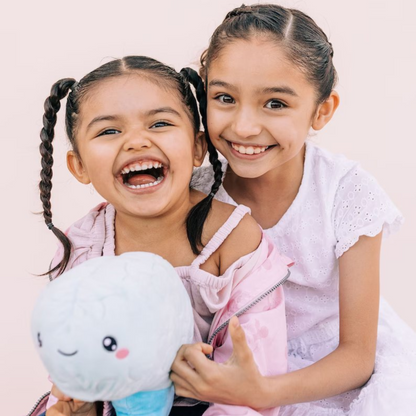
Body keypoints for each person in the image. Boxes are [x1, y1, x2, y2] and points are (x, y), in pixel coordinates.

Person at [170, 4, 416, 415]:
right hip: (230, 375)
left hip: (333, 377)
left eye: (276, 104)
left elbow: (357, 355)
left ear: (322, 110)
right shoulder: (193, 190)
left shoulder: (346, 192)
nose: (245, 126)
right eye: (225, 98)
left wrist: (264, 393)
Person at [30, 55, 292, 416]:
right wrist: (83, 405)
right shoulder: (85, 248)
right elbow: (79, 357)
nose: (137, 141)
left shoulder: (233, 242)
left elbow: (254, 374)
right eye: (109, 131)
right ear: (79, 166)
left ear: (198, 146)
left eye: (160, 123)